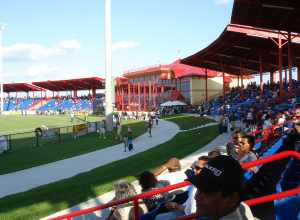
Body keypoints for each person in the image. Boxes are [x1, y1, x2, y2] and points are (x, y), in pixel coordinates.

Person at [188, 155, 256, 220]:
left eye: (207, 192)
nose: (196, 197)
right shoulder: (239, 207)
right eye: (198, 189)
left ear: (232, 198)